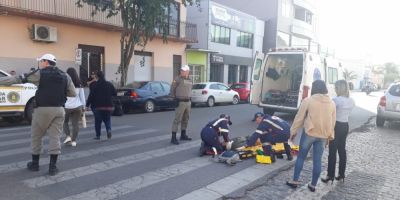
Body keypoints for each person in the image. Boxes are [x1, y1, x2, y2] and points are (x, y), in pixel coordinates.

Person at [0, 54, 76, 176]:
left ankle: (35, 165)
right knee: (55, 137)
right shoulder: (65, 75)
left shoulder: (39, 73)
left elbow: (17, 79)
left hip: (42, 110)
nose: (40, 63)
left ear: (46, 62)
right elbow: (72, 93)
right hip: (59, 110)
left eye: (41, 61)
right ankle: (52, 167)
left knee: (36, 137)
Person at [286, 80, 336, 192]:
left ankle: (295, 181)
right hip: (323, 135)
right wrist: (329, 137)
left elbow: (299, 118)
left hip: (309, 133)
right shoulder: (332, 103)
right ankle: (313, 185)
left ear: (314, 89)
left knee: (301, 157)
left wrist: (293, 132)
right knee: (317, 160)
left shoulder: (308, 101)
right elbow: (332, 123)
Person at [321, 80, 355, 183]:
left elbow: (328, 112)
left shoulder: (336, 100)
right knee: (342, 150)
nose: (335, 89)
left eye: (336, 87)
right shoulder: (351, 100)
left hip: (336, 125)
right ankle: (341, 174)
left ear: (339, 88)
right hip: (345, 125)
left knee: (332, 151)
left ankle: (330, 175)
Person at [86, 71, 116, 140]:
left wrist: (87, 105)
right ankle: (108, 130)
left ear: (97, 77)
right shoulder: (109, 84)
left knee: (97, 121)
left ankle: (98, 135)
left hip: (97, 107)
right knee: (107, 119)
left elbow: (91, 96)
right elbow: (114, 93)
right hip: (109, 106)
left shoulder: (95, 85)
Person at [170, 65, 193, 145]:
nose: (181, 72)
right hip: (180, 102)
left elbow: (190, 89)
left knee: (186, 119)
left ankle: (183, 135)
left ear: (187, 72)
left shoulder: (190, 79)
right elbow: (172, 88)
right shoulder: (177, 79)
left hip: (188, 102)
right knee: (177, 120)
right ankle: (173, 138)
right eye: (181, 70)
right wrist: (173, 98)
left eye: (183, 70)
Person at [63, 67, 86, 147]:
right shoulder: (79, 84)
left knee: (64, 122)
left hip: (66, 106)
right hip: (77, 106)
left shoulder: (65, 83)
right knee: (75, 124)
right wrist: (84, 107)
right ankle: (74, 141)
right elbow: (82, 97)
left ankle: (68, 136)